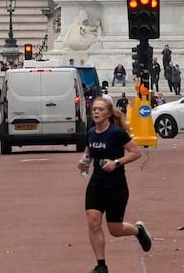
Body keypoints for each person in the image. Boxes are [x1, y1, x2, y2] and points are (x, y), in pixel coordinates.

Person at [78, 95, 152, 273]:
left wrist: (116, 163)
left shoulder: (116, 133)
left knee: (115, 229)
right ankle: (101, 265)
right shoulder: (91, 132)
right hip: (96, 184)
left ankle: (138, 230)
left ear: (109, 113)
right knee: (93, 222)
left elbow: (136, 153)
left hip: (116, 186)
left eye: (100, 109)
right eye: (94, 109)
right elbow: (89, 152)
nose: (96, 112)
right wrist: (84, 162)